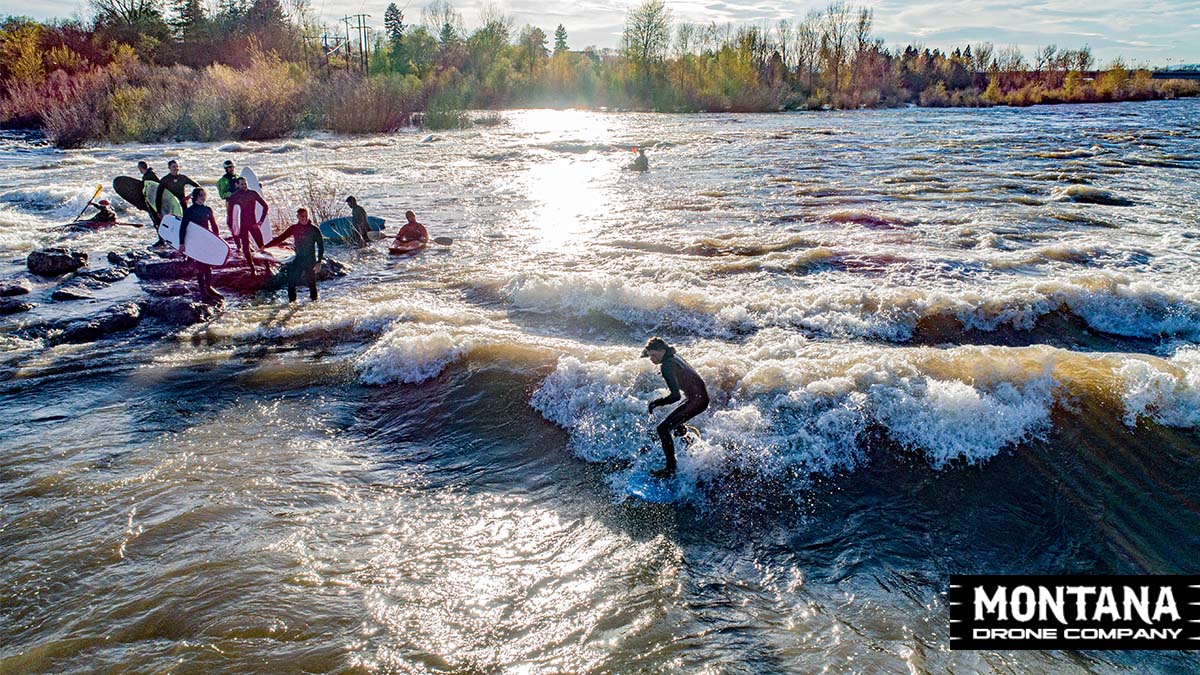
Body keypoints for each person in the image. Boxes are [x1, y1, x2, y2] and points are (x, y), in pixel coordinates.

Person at [643, 337, 709, 479]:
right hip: (698, 398)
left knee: (662, 429)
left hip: (696, 400)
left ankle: (670, 470)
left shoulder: (666, 366)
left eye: (654, 355)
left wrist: (655, 403)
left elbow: (675, 396)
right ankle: (692, 452)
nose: (651, 359)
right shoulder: (673, 355)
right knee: (677, 426)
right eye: (649, 356)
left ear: (662, 351)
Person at [266, 208, 324, 303]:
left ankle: (314, 305)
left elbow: (321, 246)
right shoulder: (294, 228)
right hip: (298, 260)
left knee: (312, 285)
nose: (304, 218)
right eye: (302, 216)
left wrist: (319, 262)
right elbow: (280, 238)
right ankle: (292, 305)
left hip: (310, 261)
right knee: (291, 283)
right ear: (297, 217)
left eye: (305, 216)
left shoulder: (314, 229)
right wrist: (266, 246)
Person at [178, 188, 224, 303]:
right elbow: (183, 227)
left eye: (204, 195)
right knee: (200, 267)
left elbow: (214, 225)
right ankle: (203, 292)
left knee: (208, 265)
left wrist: (217, 240)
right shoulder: (190, 211)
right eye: (201, 195)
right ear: (196, 197)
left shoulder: (207, 209)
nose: (204, 197)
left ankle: (208, 287)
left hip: (206, 240)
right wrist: (182, 243)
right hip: (195, 241)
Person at [226, 176, 270, 275]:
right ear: (237, 185)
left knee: (261, 246)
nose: (244, 186)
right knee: (246, 247)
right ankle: (252, 268)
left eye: (245, 184)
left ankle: (267, 267)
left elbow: (265, 206)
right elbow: (230, 214)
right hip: (242, 227)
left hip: (253, 224)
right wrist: (233, 229)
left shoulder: (252, 194)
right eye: (242, 184)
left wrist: (260, 222)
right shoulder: (234, 197)